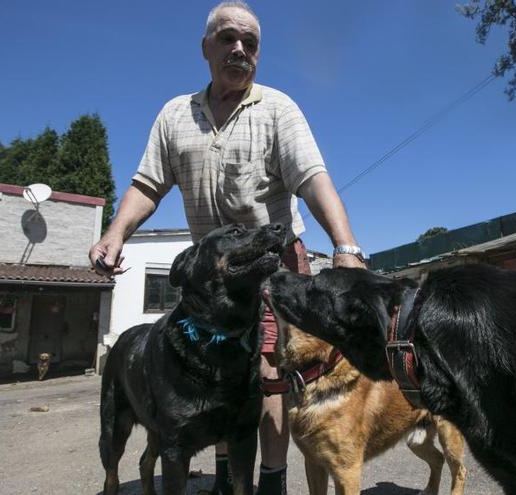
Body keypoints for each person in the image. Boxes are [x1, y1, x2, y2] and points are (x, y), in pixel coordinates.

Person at [88, 2, 365, 494]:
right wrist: (115, 233)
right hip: (211, 275)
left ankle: (271, 481)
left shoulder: (278, 108)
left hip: (271, 267)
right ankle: (224, 480)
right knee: (211, 374)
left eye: (251, 43)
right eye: (228, 38)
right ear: (206, 47)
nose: (240, 50)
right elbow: (148, 185)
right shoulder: (175, 115)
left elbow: (312, 179)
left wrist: (345, 245)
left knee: (266, 372)